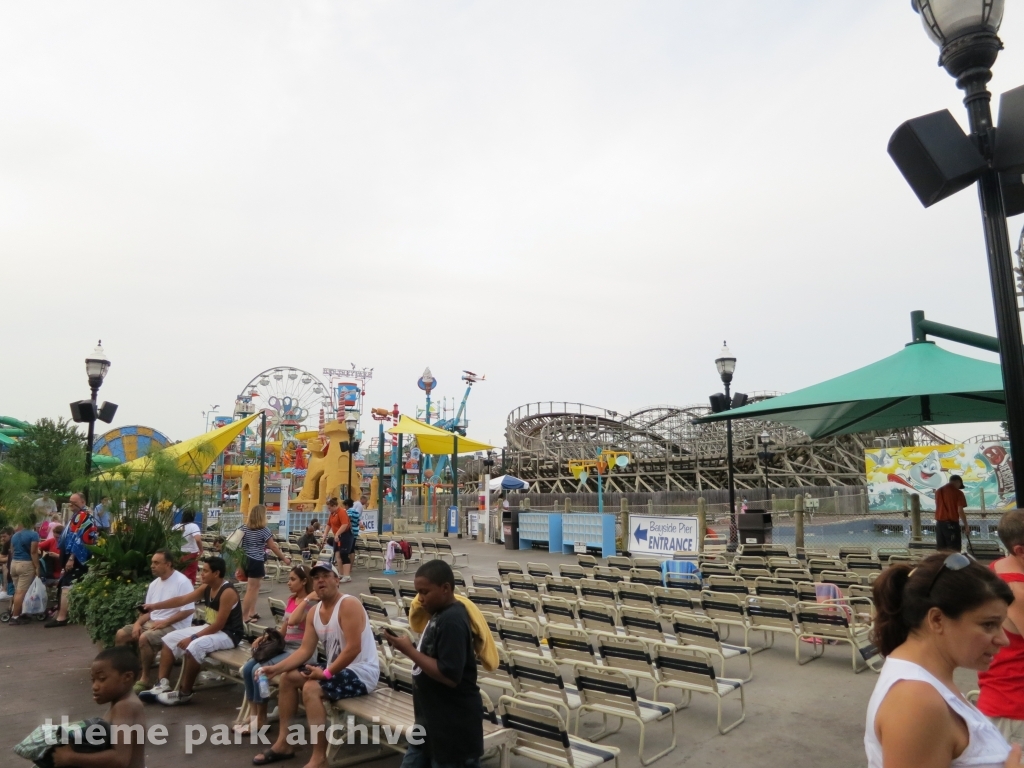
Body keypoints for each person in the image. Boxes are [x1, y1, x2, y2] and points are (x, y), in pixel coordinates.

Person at [865, 551, 1019, 768]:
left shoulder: (927, 684)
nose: (1004, 640)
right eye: (988, 624)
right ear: (937, 619)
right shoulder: (916, 701)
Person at [253, 562, 378, 767]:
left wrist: (327, 673)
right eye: (316, 577)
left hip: (362, 672)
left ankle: (319, 758)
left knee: (311, 688)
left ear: (337, 580)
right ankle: (284, 743)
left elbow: (353, 649)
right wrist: (274, 668)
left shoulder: (348, 604)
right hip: (336, 668)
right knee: (288, 678)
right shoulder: (314, 612)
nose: (320, 580)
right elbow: (304, 651)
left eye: (326, 575)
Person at [384, 560, 484, 768]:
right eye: (418, 592)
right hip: (429, 723)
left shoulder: (452, 622)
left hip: (453, 730)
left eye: (425, 592)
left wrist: (409, 651)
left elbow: (449, 675)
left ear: (446, 589)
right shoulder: (438, 614)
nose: (420, 599)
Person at [140, 555, 244, 706]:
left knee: (194, 647)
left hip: (228, 634)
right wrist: (154, 606)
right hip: (211, 628)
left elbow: (219, 625)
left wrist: (193, 637)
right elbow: (182, 600)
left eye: (206, 571)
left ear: (216, 573)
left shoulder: (227, 592)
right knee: (169, 639)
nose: (202, 573)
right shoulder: (206, 587)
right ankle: (161, 684)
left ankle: (184, 693)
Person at [238, 565, 318, 734]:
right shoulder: (291, 599)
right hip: (285, 646)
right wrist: (266, 638)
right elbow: (284, 629)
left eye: (293, 579)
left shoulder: (312, 604)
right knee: (248, 668)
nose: (288, 583)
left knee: (259, 671)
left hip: (301, 651)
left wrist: (307, 598)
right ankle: (253, 715)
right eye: (289, 579)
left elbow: (294, 621)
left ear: (304, 581)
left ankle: (261, 718)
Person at [49, 646, 146, 768]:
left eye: (102, 679)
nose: (95, 686)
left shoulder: (125, 706)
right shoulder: (125, 703)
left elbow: (120, 759)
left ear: (127, 677)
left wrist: (70, 757)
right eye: (93, 680)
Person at [114, 550, 195, 693]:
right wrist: (138, 624)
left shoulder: (182, 582)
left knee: (145, 638)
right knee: (121, 634)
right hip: (152, 622)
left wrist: (166, 622)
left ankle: (144, 678)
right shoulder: (154, 584)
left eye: (156, 563)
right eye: (152, 562)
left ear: (168, 564)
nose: (152, 566)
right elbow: (149, 611)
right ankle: (123, 674)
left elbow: (188, 610)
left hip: (175, 626)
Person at [978, 510, 1024, 740]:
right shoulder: (1018, 592)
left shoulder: (997, 568)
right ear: (1020, 551)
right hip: (1015, 706)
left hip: (998, 695)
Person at [46, 493, 100, 628]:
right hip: (71, 557)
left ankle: (62, 617)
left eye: (74, 502)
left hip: (77, 559)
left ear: (83, 502)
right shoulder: (77, 516)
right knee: (65, 584)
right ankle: (63, 614)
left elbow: (80, 539)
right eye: (70, 502)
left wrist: (71, 558)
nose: (71, 504)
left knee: (66, 585)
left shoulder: (85, 516)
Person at [239, 504, 292, 623]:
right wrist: (284, 559)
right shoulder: (264, 530)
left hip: (245, 559)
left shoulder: (243, 528)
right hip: (256, 560)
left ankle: (252, 611)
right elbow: (272, 546)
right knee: (251, 588)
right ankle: (244, 616)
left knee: (255, 587)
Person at [8, 517, 40, 624]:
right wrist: (37, 566)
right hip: (25, 563)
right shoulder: (33, 534)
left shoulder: (15, 535)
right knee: (21, 592)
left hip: (14, 563)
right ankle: (15, 616)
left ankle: (17, 612)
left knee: (17, 590)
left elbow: (12, 551)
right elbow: (34, 552)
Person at [935, 475, 969, 553]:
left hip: (939, 524)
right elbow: (960, 511)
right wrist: (966, 525)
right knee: (954, 550)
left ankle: (943, 564)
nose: (959, 487)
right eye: (960, 485)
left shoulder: (938, 491)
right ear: (958, 482)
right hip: (952, 525)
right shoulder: (958, 493)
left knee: (941, 550)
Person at [172, 509, 203, 584]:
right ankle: (189, 592)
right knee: (190, 575)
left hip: (178, 554)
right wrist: (201, 550)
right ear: (193, 517)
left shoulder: (176, 526)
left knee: (178, 574)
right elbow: (198, 539)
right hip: (191, 554)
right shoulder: (193, 526)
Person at [329, 498, 355, 584]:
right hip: (338, 535)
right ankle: (341, 574)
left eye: (329, 508)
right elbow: (328, 524)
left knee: (344, 554)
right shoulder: (332, 514)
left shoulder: (342, 512)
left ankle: (347, 576)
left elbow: (345, 524)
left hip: (346, 535)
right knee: (337, 554)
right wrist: (324, 535)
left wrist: (337, 534)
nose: (329, 510)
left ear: (334, 506)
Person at [0, 526, 13, 592]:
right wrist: (7, 558)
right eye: (1, 537)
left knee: (4, 566)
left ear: (10, 535)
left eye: (4, 536)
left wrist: (8, 558)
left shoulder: (11, 542)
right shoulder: (6, 543)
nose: (2, 539)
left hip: (16, 564)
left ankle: (4, 589)